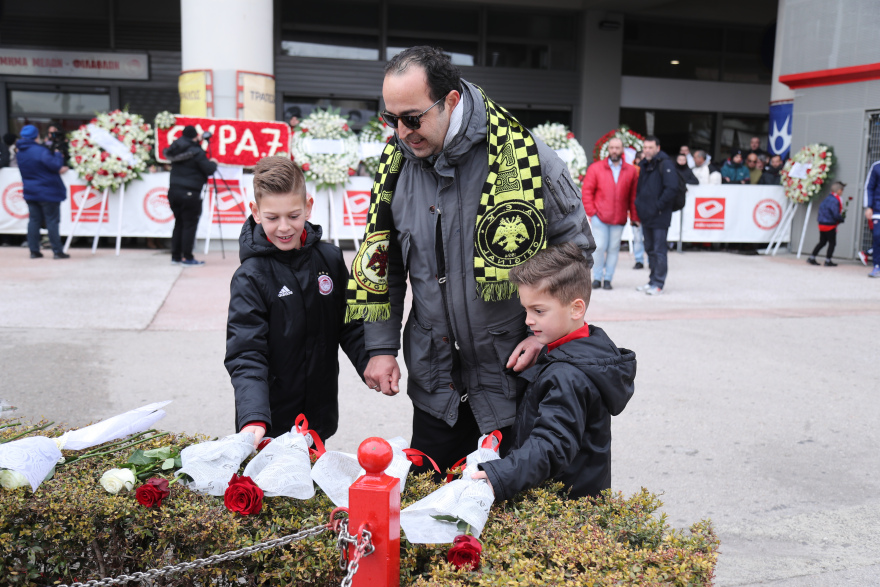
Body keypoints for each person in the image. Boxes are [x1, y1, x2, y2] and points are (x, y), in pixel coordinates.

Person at [351, 46, 595, 477]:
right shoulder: (395, 167)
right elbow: (383, 265)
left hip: (513, 383)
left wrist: (545, 336)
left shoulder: (526, 156)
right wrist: (381, 347)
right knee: (432, 520)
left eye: (412, 118)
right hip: (435, 389)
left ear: (450, 100)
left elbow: (575, 251)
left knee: (507, 525)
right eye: (391, 119)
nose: (402, 132)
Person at [471, 243, 635, 500]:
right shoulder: (584, 348)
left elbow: (552, 444)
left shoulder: (567, 375)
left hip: (564, 505)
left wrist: (503, 474)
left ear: (576, 308)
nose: (528, 320)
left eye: (538, 311)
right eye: (525, 309)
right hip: (580, 495)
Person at [225, 157, 369, 446]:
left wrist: (370, 361)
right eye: (272, 217)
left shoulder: (329, 258)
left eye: (293, 215)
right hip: (269, 425)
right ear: (255, 212)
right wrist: (253, 415)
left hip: (318, 417)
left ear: (308, 207)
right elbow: (246, 352)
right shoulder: (250, 277)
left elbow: (350, 323)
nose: (283, 227)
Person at [581, 137, 638, 290]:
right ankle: (597, 278)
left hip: (619, 218)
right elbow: (587, 191)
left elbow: (633, 196)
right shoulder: (596, 168)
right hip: (600, 216)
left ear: (622, 150)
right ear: (608, 149)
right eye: (612, 147)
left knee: (614, 249)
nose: (614, 150)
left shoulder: (631, 170)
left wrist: (633, 216)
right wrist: (592, 212)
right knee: (599, 247)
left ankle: (608, 279)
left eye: (617, 148)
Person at [163, 125, 217, 266]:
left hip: (173, 192)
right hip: (190, 193)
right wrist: (214, 163)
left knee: (179, 223)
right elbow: (209, 169)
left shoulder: (175, 149)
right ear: (195, 136)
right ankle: (187, 257)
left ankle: (176, 257)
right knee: (189, 225)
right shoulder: (196, 151)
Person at [16, 124, 69, 259]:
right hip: (48, 192)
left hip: (30, 191)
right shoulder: (40, 151)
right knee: (52, 221)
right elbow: (55, 165)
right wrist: (58, 154)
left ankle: (34, 250)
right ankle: (57, 251)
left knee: (34, 221)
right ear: (36, 136)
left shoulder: (20, 152)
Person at [634, 135, 677, 295]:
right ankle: (652, 280)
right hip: (647, 215)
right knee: (650, 249)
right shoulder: (645, 164)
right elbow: (641, 189)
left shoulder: (665, 164)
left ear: (658, 148)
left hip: (660, 215)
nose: (647, 150)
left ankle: (658, 283)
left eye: (650, 147)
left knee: (659, 250)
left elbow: (671, 188)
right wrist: (640, 206)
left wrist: (658, 206)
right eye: (645, 148)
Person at [806, 181, 847, 267]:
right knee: (832, 243)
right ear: (839, 191)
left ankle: (812, 257)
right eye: (842, 190)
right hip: (829, 225)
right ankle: (828, 260)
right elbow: (835, 213)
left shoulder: (827, 198)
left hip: (821, 224)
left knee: (822, 242)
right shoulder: (835, 200)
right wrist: (840, 219)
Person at [863, 160, 880, 278]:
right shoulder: (876, 166)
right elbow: (869, 187)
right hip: (878, 209)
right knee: (877, 236)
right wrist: (868, 206)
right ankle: (877, 266)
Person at [631, 150, 646, 270]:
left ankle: (651, 260)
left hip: (648, 209)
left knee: (649, 237)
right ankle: (639, 260)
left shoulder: (650, 171)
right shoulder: (632, 171)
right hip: (635, 208)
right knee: (637, 237)